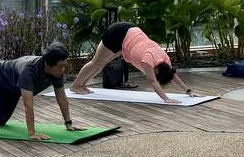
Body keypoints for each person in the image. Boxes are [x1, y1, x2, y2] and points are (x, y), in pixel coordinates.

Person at [0, 43, 85, 138]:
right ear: (48, 64)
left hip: (13, 88)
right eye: (60, 66)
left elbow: (62, 98)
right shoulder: (29, 71)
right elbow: (28, 105)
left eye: (65, 66)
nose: (63, 70)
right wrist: (32, 133)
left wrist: (68, 123)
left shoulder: (57, 73)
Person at [69, 23, 197, 104]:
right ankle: (76, 86)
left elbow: (173, 75)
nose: (154, 74)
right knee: (96, 62)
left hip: (130, 36)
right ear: (157, 70)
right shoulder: (148, 59)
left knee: (101, 64)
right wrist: (166, 99)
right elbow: (153, 81)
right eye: (156, 74)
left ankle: (82, 85)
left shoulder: (165, 60)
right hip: (117, 33)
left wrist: (188, 91)